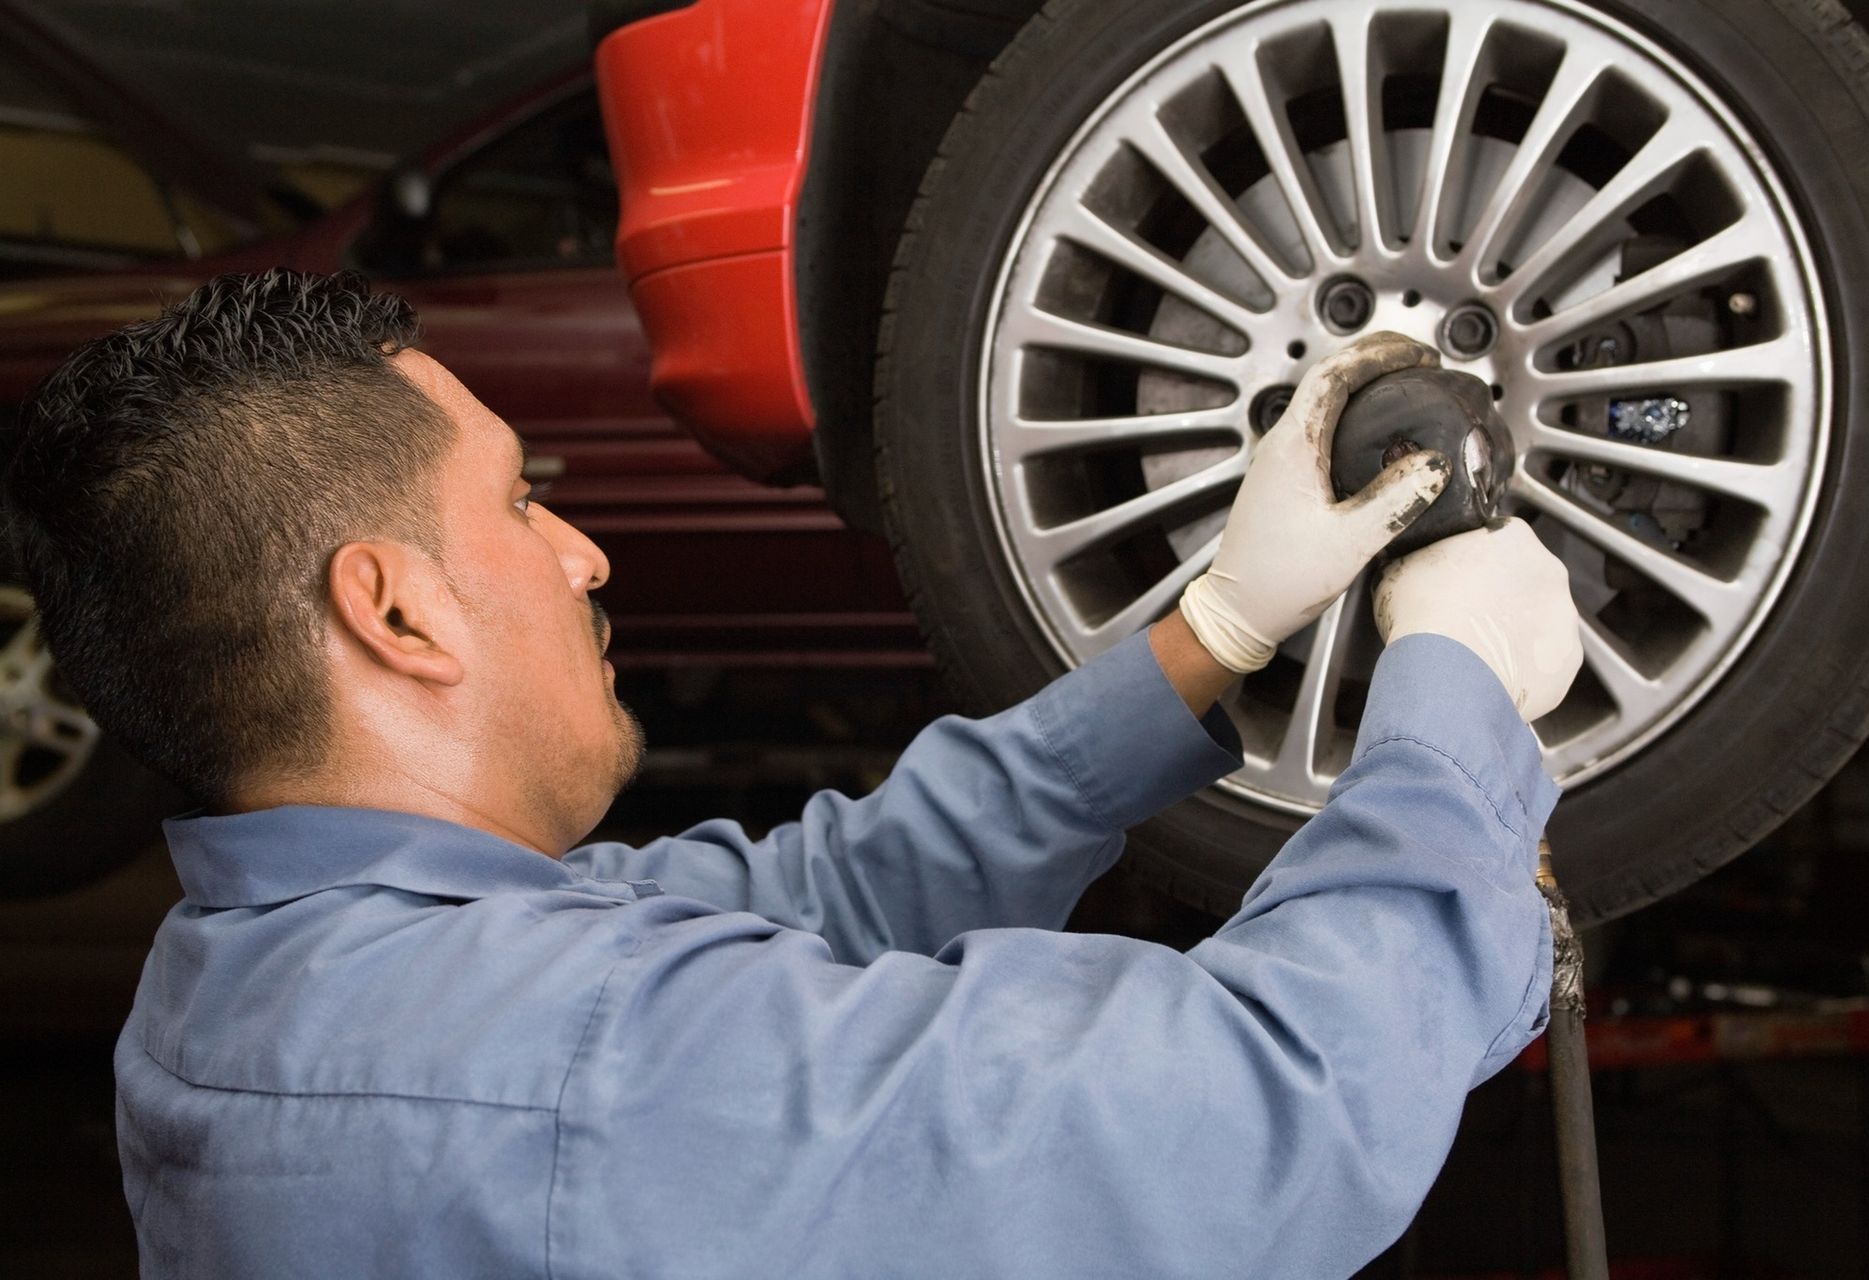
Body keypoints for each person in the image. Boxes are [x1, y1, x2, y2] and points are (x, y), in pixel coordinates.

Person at [1, 270, 1579, 1278]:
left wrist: (1218, 628)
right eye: (520, 502)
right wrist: (1459, 701)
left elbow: (827, 895)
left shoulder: (266, 977)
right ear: (395, 608)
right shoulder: (574, 1074)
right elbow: (1274, 1102)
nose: (582, 550)